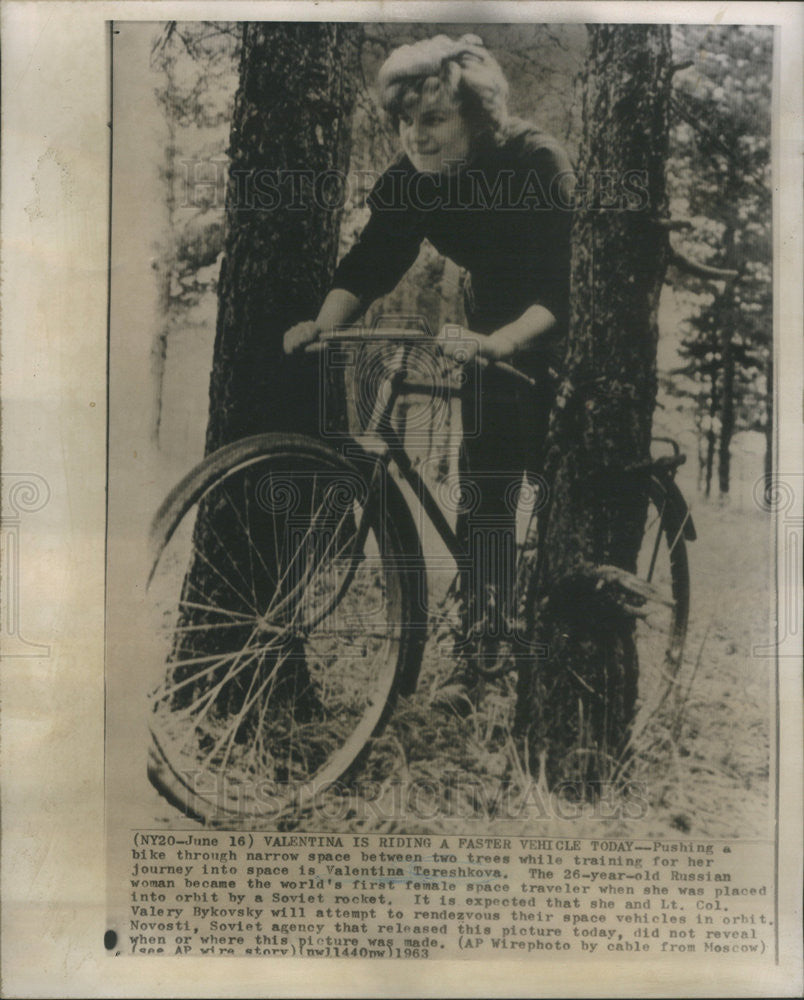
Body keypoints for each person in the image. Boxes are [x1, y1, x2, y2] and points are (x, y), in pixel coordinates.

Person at [283, 33, 574, 713]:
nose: (416, 136)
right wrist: (325, 323)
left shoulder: (535, 161)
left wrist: (499, 344)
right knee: (485, 488)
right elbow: (372, 258)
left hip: (555, 323)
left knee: (536, 482)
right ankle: (482, 647)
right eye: (405, 121)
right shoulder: (415, 176)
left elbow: (560, 293)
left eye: (434, 119)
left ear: (477, 117)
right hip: (485, 324)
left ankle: (523, 646)